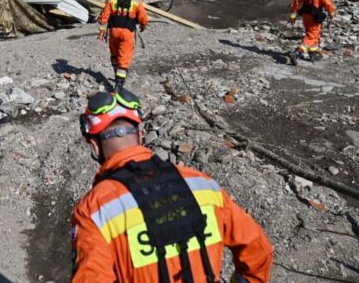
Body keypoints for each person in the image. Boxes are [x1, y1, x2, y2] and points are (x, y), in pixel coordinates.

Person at [71, 90, 273, 283]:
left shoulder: (95, 211)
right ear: (140, 135)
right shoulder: (202, 185)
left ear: (95, 147)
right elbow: (258, 249)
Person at [97, 0, 149, 90]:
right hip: (127, 33)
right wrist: (143, 26)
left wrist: (101, 32)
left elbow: (104, 17)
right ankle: (119, 85)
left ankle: (116, 75)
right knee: (124, 59)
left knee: (115, 55)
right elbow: (143, 18)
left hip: (113, 32)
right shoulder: (136, 1)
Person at [288, 0, 336, 64]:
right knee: (312, 34)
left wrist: (293, 16)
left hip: (306, 15)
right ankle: (297, 52)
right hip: (315, 15)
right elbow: (327, 3)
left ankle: (313, 53)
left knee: (312, 33)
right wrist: (332, 12)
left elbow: (296, 4)